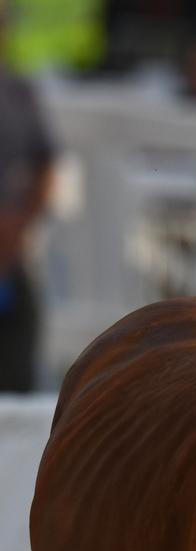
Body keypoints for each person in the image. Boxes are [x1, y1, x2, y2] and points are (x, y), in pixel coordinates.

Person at [0, 52, 56, 391]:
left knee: (18, 374)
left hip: (8, 253)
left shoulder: (18, 92)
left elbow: (46, 164)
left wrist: (18, 223)